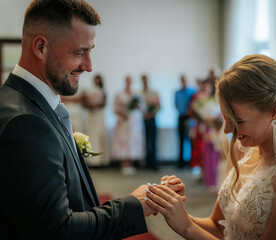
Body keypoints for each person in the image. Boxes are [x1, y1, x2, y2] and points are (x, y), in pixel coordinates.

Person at [144, 54, 276, 239]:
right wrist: (175, 210)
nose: (228, 130)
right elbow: (219, 229)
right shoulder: (245, 149)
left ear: (273, 112)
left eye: (238, 120)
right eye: (225, 119)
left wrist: (186, 227)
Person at [0, 1, 168, 239]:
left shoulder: (26, 102)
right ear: (40, 47)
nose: (89, 66)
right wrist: (134, 206)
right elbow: (57, 231)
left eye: (90, 51)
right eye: (79, 52)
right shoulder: (26, 122)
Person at [112, 76, 146, 175]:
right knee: (123, 140)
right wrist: (122, 113)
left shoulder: (136, 94)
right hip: (123, 121)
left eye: (130, 81)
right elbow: (115, 107)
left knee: (132, 141)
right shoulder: (119, 94)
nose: (129, 83)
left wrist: (137, 106)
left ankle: (130, 163)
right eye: (127, 81)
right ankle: (123, 164)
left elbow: (143, 107)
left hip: (134, 121)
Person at [82, 74, 108, 166]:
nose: (97, 82)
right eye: (95, 80)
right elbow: (84, 104)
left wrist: (96, 105)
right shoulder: (89, 91)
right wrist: (90, 105)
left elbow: (104, 103)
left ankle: (101, 160)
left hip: (99, 115)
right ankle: (92, 161)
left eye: (98, 80)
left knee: (100, 135)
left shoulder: (103, 91)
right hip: (91, 114)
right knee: (91, 135)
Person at [174, 74, 196, 168]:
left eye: (184, 79)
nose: (183, 81)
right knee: (181, 140)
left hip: (190, 118)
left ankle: (191, 162)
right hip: (181, 117)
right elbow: (175, 104)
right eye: (182, 80)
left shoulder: (192, 91)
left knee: (191, 140)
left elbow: (194, 104)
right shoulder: (177, 92)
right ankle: (181, 162)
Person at [140, 74, 161, 170]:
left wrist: (151, 114)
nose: (144, 82)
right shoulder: (139, 93)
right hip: (142, 120)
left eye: (146, 80)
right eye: (143, 80)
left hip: (152, 119)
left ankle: (153, 163)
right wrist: (143, 115)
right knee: (144, 141)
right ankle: (146, 162)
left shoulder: (154, 92)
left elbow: (159, 106)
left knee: (152, 140)